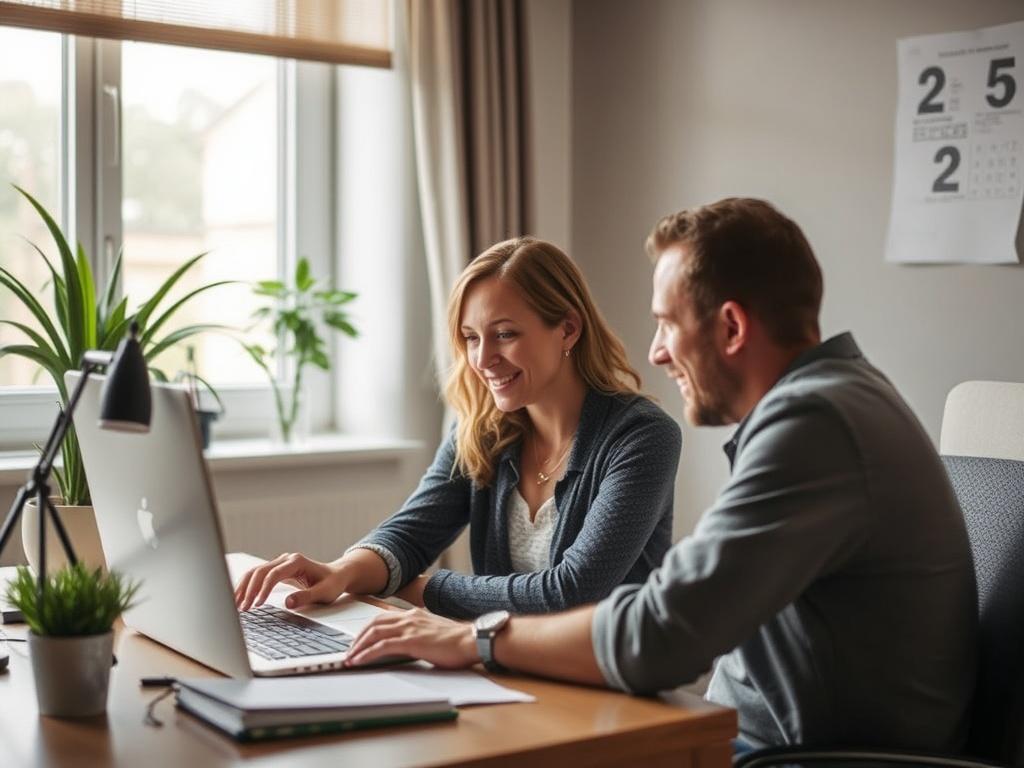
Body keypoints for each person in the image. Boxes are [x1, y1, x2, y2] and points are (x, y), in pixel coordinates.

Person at [341, 198, 978, 751]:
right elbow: (685, 607)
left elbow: (660, 631)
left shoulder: (814, 425)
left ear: (730, 326)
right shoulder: (831, 402)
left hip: (801, 754)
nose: (656, 350)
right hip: (749, 731)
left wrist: (474, 636)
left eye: (667, 322)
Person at [236, 237, 682, 620]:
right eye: (471, 338)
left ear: (567, 329)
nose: (483, 359)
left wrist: (419, 589)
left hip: (611, 684)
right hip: (510, 665)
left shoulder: (642, 437)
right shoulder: (484, 430)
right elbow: (410, 533)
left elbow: (570, 592)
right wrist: (341, 571)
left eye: (505, 334)